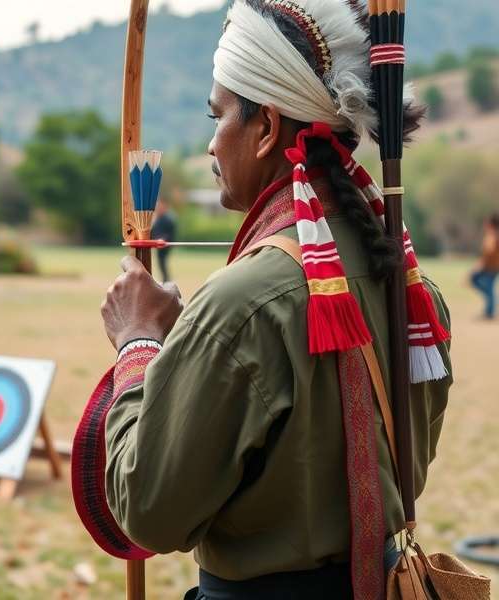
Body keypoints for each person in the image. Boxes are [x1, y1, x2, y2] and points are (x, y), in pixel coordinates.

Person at [98, 1, 452, 598]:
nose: (212, 145)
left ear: (264, 128)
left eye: (219, 118)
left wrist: (139, 343)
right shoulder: (414, 291)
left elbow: (148, 511)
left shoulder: (239, 306)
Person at [470, 214, 499, 319]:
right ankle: (490, 308)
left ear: (491, 224)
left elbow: (488, 253)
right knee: (487, 288)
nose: (485, 224)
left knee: (487, 288)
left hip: (490, 268)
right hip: (490, 267)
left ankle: (490, 312)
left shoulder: (492, 236)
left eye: (487, 222)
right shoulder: (492, 235)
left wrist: (479, 265)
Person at [150, 199, 178, 282]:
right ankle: (165, 280)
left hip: (165, 245)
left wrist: (163, 239)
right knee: (160, 263)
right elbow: (153, 231)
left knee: (162, 262)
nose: (158, 208)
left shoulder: (168, 219)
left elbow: (170, 234)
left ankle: (166, 280)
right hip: (158, 244)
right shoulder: (158, 219)